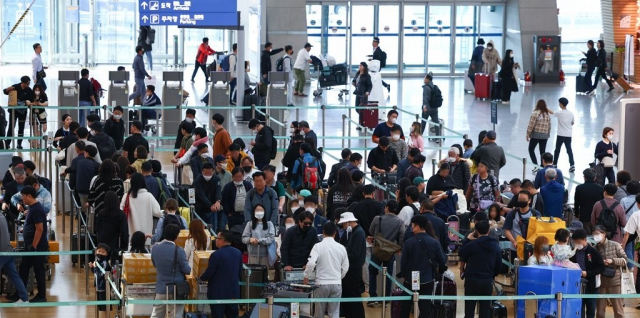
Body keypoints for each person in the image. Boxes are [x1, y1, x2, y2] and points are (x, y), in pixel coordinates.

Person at [400, 215, 447, 318]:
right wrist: (439, 272)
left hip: (410, 280)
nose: (412, 228)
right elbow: (442, 260)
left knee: (405, 307)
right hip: (427, 279)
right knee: (425, 309)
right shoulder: (435, 242)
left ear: (417, 227)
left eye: (413, 226)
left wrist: (403, 274)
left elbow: (403, 262)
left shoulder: (409, 242)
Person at [303, 222, 348, 318]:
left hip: (321, 283)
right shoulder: (341, 248)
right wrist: (339, 278)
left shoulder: (317, 246)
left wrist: (306, 275)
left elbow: (311, 263)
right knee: (335, 313)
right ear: (335, 233)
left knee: (319, 313)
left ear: (323, 232)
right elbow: (345, 267)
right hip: (336, 283)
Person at [459, 220, 502, 318]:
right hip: (487, 281)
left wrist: (467, 240)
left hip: (472, 280)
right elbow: (498, 266)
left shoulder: (472, 245)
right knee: (485, 310)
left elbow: (461, 253)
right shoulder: (495, 246)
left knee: (469, 310)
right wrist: (492, 275)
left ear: (476, 231)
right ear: (488, 230)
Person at [366, 200, 404, 307]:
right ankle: (386, 299)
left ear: (386, 208)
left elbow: (371, 230)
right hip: (390, 252)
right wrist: (399, 248)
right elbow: (402, 236)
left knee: (373, 273)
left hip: (377, 250)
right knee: (388, 275)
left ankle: (373, 297)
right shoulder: (400, 221)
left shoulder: (378, 218)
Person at [149, 224, 190, 318]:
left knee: (156, 314)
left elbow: (155, 264)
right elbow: (187, 270)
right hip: (177, 289)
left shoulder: (155, 248)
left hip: (161, 287)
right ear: (176, 236)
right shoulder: (179, 250)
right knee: (176, 314)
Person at [200, 230, 243, 318]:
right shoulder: (238, 253)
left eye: (217, 238)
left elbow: (209, 273)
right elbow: (239, 271)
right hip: (233, 293)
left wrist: (201, 277)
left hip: (217, 294)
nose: (215, 240)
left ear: (222, 240)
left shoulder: (216, 255)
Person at [17, 186, 48, 302]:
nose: (22, 199)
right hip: (31, 246)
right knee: (24, 268)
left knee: (38, 270)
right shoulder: (33, 208)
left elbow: (39, 229)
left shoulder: (36, 209)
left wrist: (34, 246)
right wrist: (24, 229)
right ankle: (19, 293)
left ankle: (41, 296)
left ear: (29, 196)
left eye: (23, 196)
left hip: (36, 247)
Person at [336, 212, 366, 318]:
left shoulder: (358, 233)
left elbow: (355, 253)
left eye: (344, 224)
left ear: (349, 222)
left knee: (354, 295)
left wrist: (342, 259)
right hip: (350, 269)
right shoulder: (353, 232)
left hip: (354, 269)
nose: (343, 226)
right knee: (348, 294)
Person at [570, 228, 605, 318]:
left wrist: (588, 273)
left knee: (591, 309)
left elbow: (601, 267)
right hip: (577, 284)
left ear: (585, 240)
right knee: (579, 309)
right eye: (575, 242)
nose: (577, 244)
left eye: (579, 242)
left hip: (591, 285)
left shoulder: (593, 252)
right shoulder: (572, 252)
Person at [592, 225, 626, 318]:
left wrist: (613, 261)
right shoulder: (594, 248)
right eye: (593, 234)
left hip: (615, 281)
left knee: (618, 310)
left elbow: (624, 260)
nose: (595, 236)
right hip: (601, 282)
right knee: (599, 312)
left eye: (597, 234)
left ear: (604, 234)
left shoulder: (615, 245)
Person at [120, 173, 162, 245]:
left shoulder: (127, 196)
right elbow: (158, 212)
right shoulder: (149, 196)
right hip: (146, 238)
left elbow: (121, 212)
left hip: (130, 237)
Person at [0, 211, 29, 303]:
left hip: (2, 253)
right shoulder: (2, 216)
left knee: (14, 275)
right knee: (14, 276)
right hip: (9, 250)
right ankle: (24, 298)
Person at [503, 190, 542, 259]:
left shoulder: (535, 214)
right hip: (516, 248)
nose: (521, 201)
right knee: (515, 268)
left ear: (529, 200)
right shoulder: (512, 214)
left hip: (532, 248)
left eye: (523, 200)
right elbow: (507, 230)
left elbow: (540, 231)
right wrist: (513, 241)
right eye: (519, 199)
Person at [95, 191, 129, 264]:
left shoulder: (101, 213)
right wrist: (124, 247)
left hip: (102, 243)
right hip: (115, 245)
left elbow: (97, 229)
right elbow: (124, 232)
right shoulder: (121, 215)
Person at [3, 76, 33, 149]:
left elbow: (30, 100)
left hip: (23, 111)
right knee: (11, 127)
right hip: (13, 111)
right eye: (27, 83)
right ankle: (8, 143)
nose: (28, 85)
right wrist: (8, 89)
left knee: (21, 127)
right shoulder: (15, 87)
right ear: (23, 83)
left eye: (29, 83)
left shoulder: (29, 90)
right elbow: (5, 91)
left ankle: (19, 143)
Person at [549, 97, 575, 172]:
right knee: (569, 150)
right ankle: (572, 164)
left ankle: (555, 163)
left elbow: (552, 112)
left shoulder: (560, 113)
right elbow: (572, 123)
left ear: (561, 104)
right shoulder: (571, 113)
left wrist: (545, 107)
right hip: (568, 135)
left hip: (560, 134)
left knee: (557, 150)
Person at [575, 168, 605, 233]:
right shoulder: (600, 188)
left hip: (584, 216)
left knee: (586, 236)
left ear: (584, 177)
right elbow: (603, 203)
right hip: (597, 217)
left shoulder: (579, 188)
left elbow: (576, 203)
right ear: (595, 177)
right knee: (597, 237)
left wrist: (577, 214)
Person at [193, 162, 222, 229]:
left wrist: (218, 201)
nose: (208, 175)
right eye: (206, 173)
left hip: (212, 209)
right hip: (200, 209)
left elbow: (218, 191)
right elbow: (201, 195)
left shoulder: (216, 179)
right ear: (202, 171)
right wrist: (210, 205)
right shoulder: (197, 181)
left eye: (210, 173)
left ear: (213, 171)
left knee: (212, 227)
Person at [526, 99, 551, 171]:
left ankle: (535, 165)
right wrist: (548, 134)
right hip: (545, 135)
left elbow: (531, 125)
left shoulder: (535, 113)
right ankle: (542, 165)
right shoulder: (547, 114)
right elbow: (549, 125)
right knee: (542, 151)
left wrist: (528, 134)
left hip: (536, 134)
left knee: (531, 149)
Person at [89, 243, 112, 317]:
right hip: (99, 286)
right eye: (99, 251)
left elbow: (100, 274)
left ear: (106, 254)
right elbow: (96, 274)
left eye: (103, 252)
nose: (100, 253)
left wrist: (95, 267)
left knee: (105, 306)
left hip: (104, 287)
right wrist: (92, 267)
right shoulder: (97, 261)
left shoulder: (104, 263)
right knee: (101, 306)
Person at [352, 62, 372, 128]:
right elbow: (355, 80)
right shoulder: (357, 73)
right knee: (357, 108)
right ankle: (364, 120)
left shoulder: (367, 76)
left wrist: (368, 91)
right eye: (359, 65)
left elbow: (370, 85)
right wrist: (354, 83)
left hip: (363, 94)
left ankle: (361, 123)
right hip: (358, 93)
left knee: (361, 109)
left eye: (361, 66)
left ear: (364, 67)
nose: (359, 67)